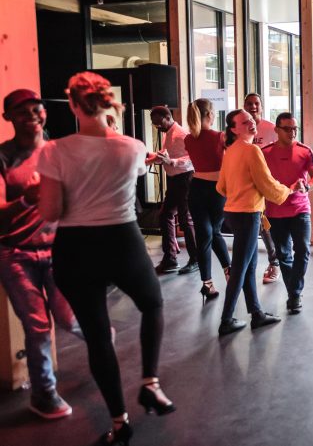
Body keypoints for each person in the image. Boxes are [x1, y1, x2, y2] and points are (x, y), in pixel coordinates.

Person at [37, 72, 174, 446]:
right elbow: (139, 172)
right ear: (108, 103)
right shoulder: (131, 146)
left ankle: (120, 423)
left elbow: (51, 211)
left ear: (73, 104)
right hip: (123, 240)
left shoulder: (54, 151)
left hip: (76, 247)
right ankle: (150, 382)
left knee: (98, 336)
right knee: (152, 304)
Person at [0, 89, 79, 419]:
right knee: (37, 326)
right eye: (22, 110)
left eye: (37, 108)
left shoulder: (59, 152)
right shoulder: (3, 157)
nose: (32, 114)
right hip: (15, 254)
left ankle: (99, 334)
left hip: (58, 249)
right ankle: (44, 395)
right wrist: (27, 198)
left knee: (69, 319)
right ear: (7, 117)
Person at [216, 109, 301, 336]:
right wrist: (289, 189)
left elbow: (221, 187)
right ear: (234, 129)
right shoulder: (252, 150)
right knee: (240, 269)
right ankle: (226, 319)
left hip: (234, 213)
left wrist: (240, 189)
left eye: (252, 120)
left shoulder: (231, 151)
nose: (251, 124)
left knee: (249, 265)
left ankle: (256, 314)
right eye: (245, 122)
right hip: (248, 214)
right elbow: (267, 185)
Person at [261, 112, 313, 314]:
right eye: (287, 128)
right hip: (275, 211)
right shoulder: (265, 152)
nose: (292, 132)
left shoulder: (305, 151)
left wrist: (308, 187)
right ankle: (294, 294)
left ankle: (294, 292)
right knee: (284, 254)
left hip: (300, 209)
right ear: (277, 130)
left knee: (303, 250)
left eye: (295, 128)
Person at [184, 98, 231, 304]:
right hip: (217, 190)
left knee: (204, 235)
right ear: (210, 115)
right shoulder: (220, 136)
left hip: (196, 188)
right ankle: (230, 273)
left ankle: (208, 283)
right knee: (215, 232)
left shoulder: (188, 139)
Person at [149, 105, 198, 275]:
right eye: (154, 124)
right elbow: (167, 154)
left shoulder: (181, 134)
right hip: (175, 179)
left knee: (185, 219)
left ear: (167, 117)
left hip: (184, 179)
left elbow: (192, 159)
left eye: (158, 122)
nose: (157, 127)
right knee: (166, 215)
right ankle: (170, 258)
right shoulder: (169, 133)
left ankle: (195, 259)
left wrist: (172, 162)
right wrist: (153, 158)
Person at [243, 93, 281, 284]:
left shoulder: (270, 128)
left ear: (262, 106)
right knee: (261, 226)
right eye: (249, 104)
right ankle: (274, 262)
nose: (253, 107)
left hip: (269, 183)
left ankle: (277, 262)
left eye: (256, 103)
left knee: (271, 225)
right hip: (248, 186)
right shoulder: (241, 129)